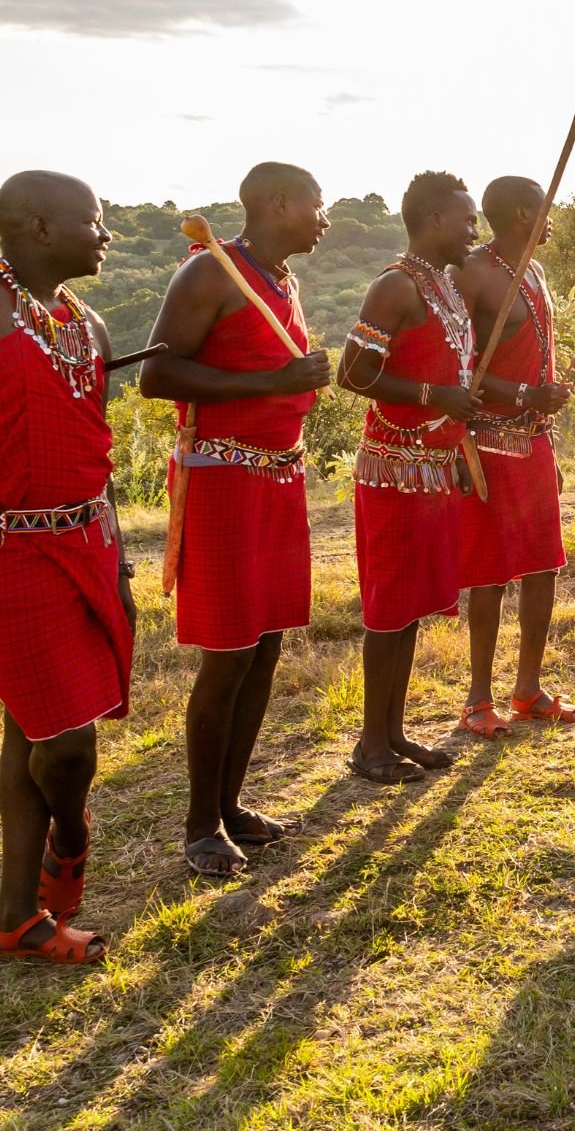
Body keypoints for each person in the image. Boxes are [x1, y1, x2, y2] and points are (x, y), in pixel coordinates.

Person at [139, 162, 333, 876]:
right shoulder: (209, 273)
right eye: (318, 203)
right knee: (227, 657)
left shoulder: (281, 278)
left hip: (278, 478)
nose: (325, 216)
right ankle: (198, 827)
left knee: (265, 649)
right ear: (279, 203)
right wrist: (270, 383)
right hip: (223, 480)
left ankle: (228, 806)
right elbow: (157, 376)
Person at [0, 170, 128, 965]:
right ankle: (71, 843)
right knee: (66, 745)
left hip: (88, 543)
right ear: (40, 229)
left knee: (28, 735)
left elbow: (97, 449)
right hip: (12, 552)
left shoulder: (87, 325)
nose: (105, 234)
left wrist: (117, 562)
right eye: (93, 220)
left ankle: (15, 917)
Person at [335, 172, 482, 785]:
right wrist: (434, 394)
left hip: (432, 465)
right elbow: (352, 374)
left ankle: (392, 733)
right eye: (467, 219)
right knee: (390, 607)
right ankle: (370, 746)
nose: (475, 230)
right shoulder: (395, 287)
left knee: (413, 606)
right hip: (393, 467)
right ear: (432, 220)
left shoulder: (443, 286)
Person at [452, 177, 575, 741]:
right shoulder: (474, 273)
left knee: (541, 562)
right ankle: (478, 697)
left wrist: (541, 404)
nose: (553, 220)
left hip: (534, 440)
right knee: (489, 571)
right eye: (547, 210)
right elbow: (456, 372)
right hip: (487, 442)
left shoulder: (537, 271)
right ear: (525, 212)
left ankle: (528, 688)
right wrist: (525, 395)